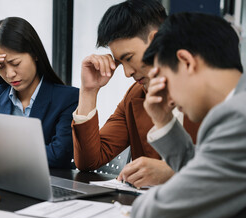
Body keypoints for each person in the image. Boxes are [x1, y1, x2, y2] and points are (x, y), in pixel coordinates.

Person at [131, 12, 246, 218]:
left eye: (164, 79)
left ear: (186, 61)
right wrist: (163, 121)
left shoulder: (238, 118)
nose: (169, 98)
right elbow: (208, 174)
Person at [72, 0, 200, 187]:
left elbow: (232, 168)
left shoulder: (210, 91)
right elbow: (88, 161)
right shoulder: (136, 96)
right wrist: (89, 91)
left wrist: (173, 172)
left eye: (129, 58)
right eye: (120, 63)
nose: (127, 73)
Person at [0, 17, 79, 169]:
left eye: (15, 63)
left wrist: (2, 150)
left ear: (35, 54)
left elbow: (59, 155)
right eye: (0, 66)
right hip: (0, 187)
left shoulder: (67, 98)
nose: (9, 74)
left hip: (48, 187)